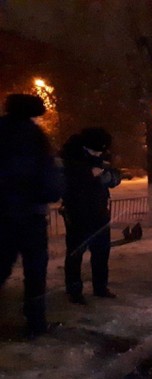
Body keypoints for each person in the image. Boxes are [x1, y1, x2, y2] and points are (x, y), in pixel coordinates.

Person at [0, 94, 64, 337]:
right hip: (29, 216)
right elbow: (48, 180)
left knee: (1, 266)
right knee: (35, 272)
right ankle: (35, 322)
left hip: (2, 216)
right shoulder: (35, 137)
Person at [61, 127, 121, 305]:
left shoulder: (101, 155)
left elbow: (115, 175)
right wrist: (88, 175)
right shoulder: (70, 156)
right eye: (95, 150)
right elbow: (65, 181)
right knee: (75, 253)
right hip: (78, 212)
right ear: (86, 146)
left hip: (100, 212)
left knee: (102, 252)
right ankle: (74, 290)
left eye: (101, 151)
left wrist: (109, 177)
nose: (99, 153)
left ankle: (100, 287)